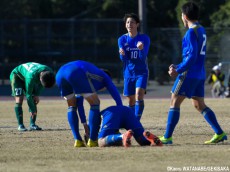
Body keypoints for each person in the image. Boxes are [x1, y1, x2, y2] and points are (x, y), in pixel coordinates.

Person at [159, 2, 227, 144]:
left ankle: (167, 137)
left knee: (174, 100)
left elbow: (191, 57)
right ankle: (220, 133)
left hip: (189, 74)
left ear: (184, 16)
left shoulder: (190, 32)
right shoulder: (201, 29)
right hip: (199, 73)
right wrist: (178, 65)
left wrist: (178, 69)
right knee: (199, 104)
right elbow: (193, 56)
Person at [55, 60, 123, 147]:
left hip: (60, 73)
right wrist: (120, 114)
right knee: (95, 103)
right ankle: (93, 140)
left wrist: (85, 124)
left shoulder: (90, 73)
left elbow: (79, 103)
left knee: (72, 106)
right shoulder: (104, 77)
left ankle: (78, 140)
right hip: (76, 71)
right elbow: (116, 95)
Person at [118, 13, 150, 121]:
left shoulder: (144, 38)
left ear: (137, 24)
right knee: (131, 101)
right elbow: (124, 59)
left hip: (141, 72)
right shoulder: (122, 39)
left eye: (132, 22)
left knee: (139, 95)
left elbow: (143, 57)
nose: (129, 24)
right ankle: (132, 121)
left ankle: (136, 122)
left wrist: (141, 49)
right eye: (127, 22)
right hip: (128, 73)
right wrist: (122, 54)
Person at [10, 62, 55, 131]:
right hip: (17, 76)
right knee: (19, 99)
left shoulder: (50, 73)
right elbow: (28, 95)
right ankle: (20, 125)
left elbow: (40, 86)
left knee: (34, 98)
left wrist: (37, 94)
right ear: (40, 79)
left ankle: (32, 124)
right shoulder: (31, 77)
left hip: (28, 75)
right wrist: (32, 109)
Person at [98, 105, 162, 147]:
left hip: (112, 114)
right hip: (127, 111)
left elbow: (92, 132)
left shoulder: (94, 125)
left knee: (101, 141)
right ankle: (150, 139)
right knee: (142, 140)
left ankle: (122, 137)